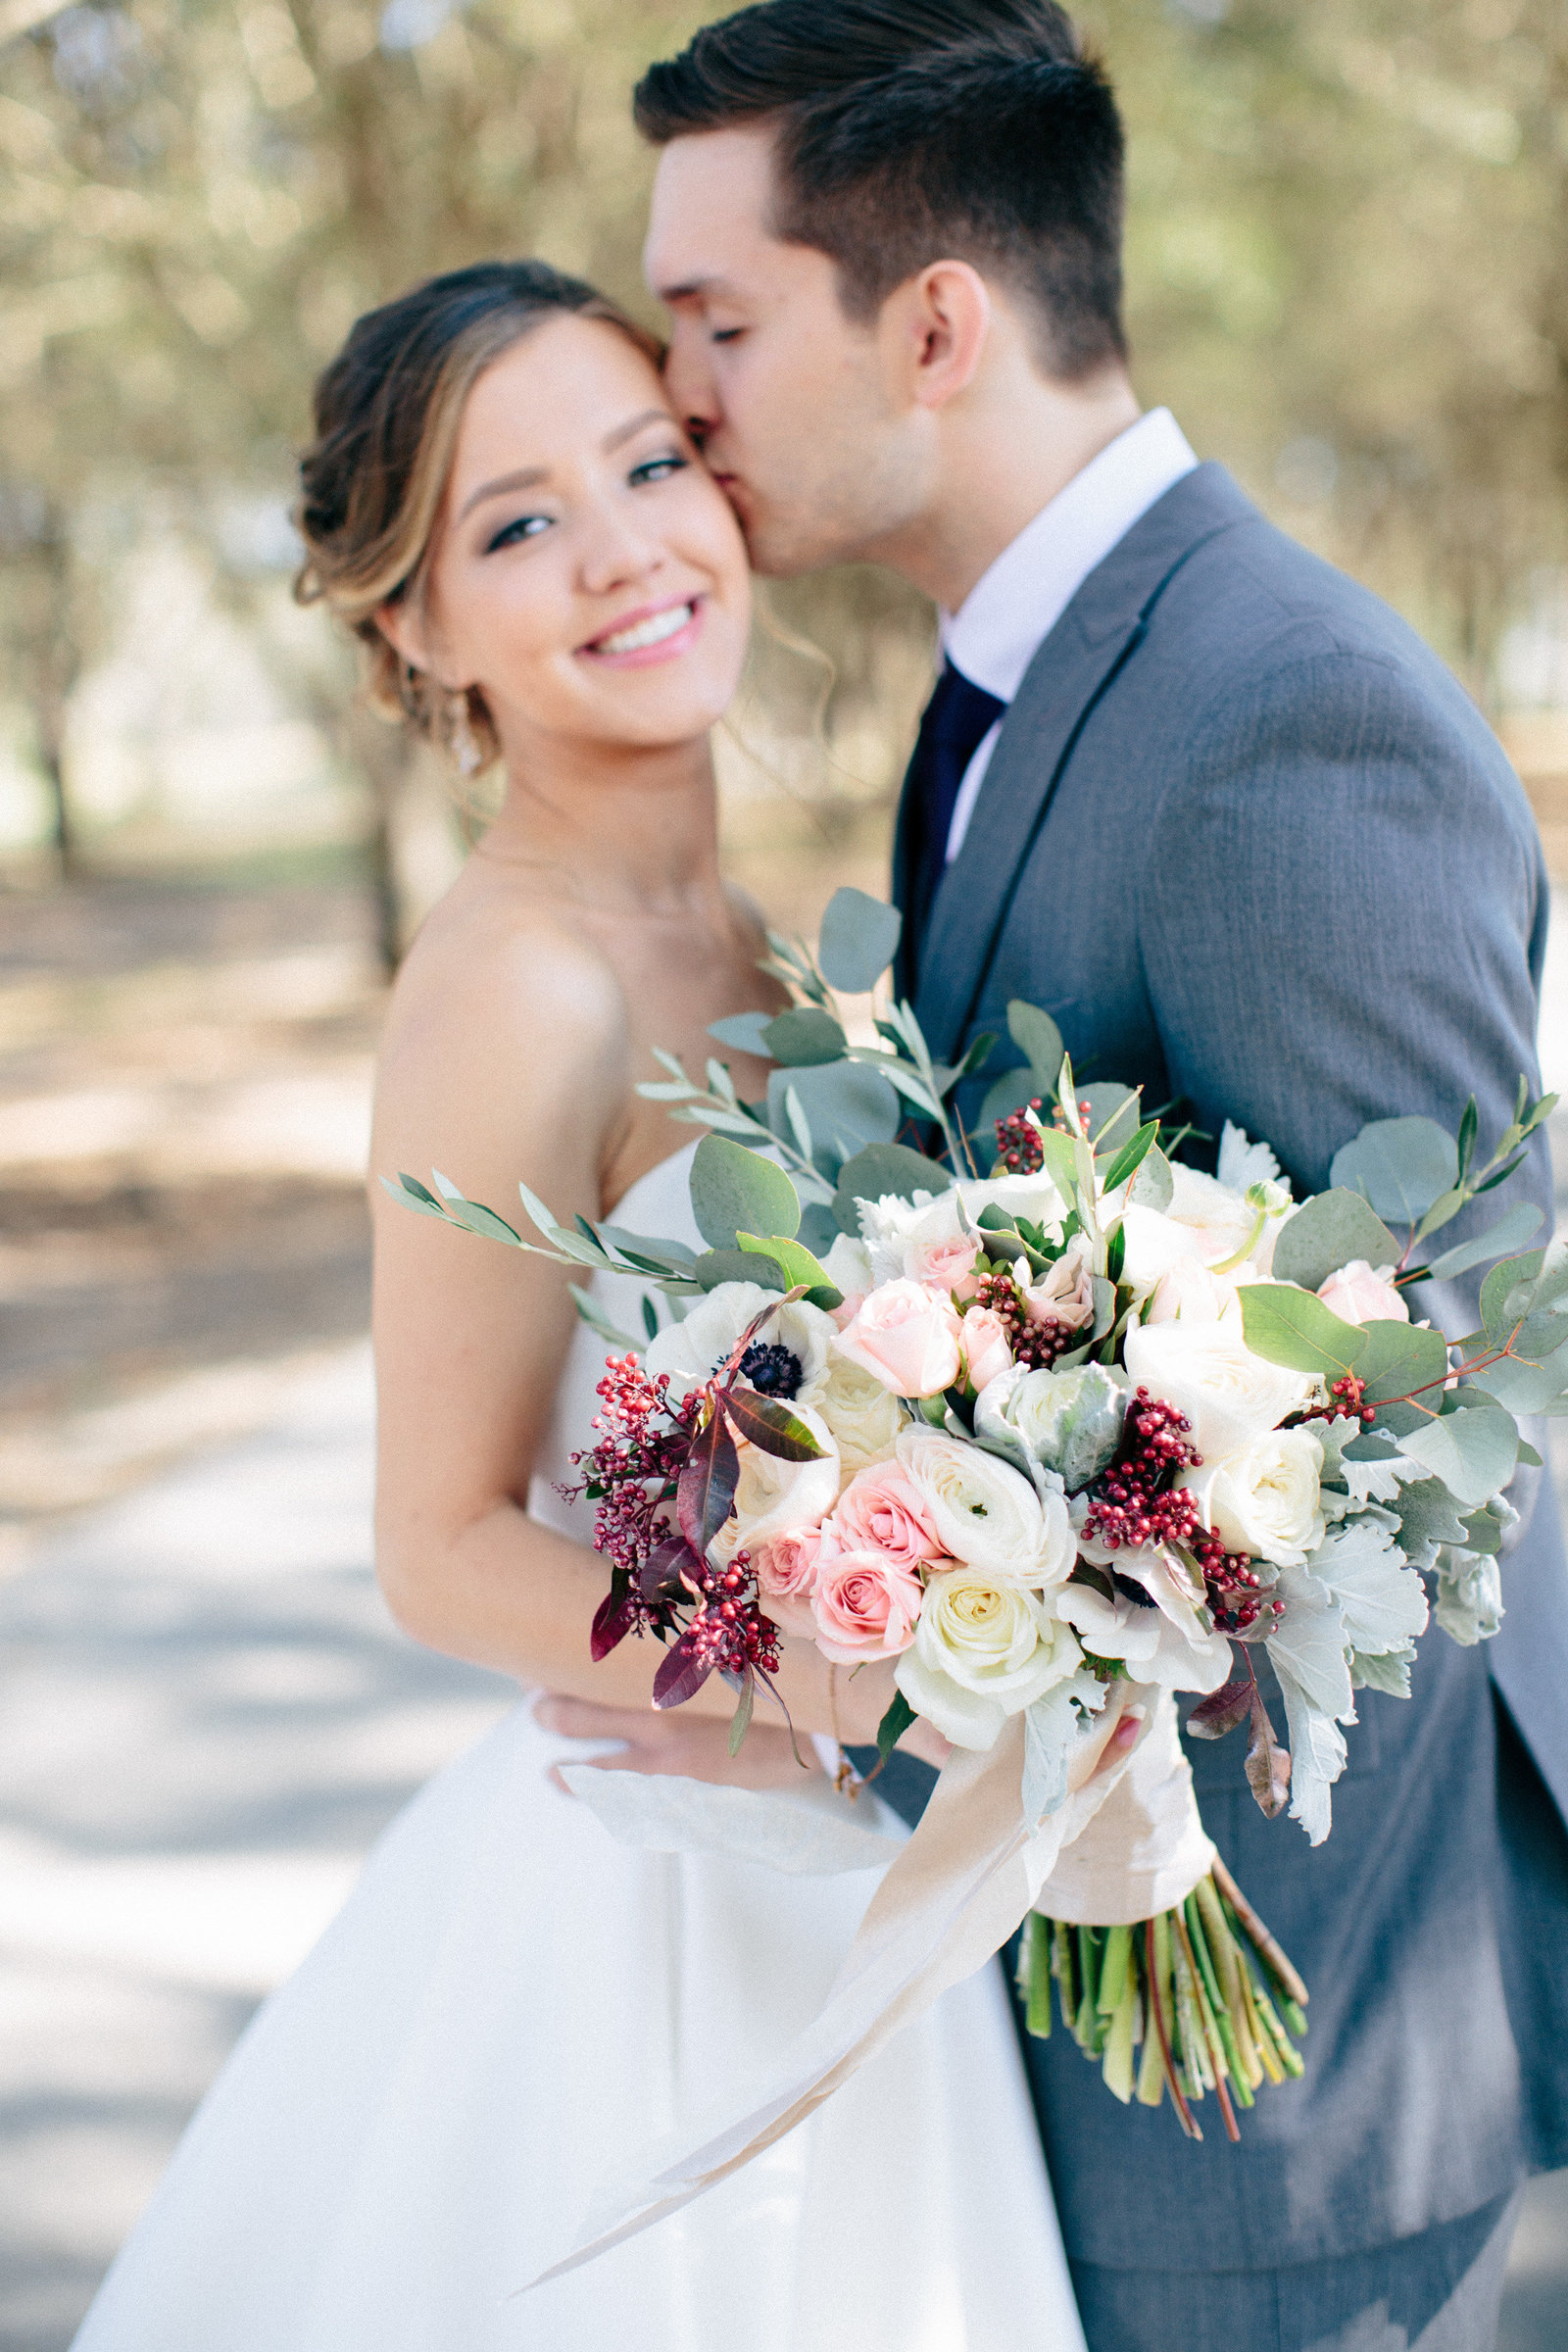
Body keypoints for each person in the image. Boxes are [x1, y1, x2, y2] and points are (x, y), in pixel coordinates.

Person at [566, 1, 1568, 2344]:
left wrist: (907, 1606)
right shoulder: (1012, 672)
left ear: (931, 321)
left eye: (711, 324)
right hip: (1080, 2012)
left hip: (1264, 2082)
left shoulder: (1277, 711)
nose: (674, 397)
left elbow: (1429, 1397)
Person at [69, 259, 1130, 2350]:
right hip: (652, 1918)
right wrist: (828, 1679)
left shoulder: (746, 936)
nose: (622, 547)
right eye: (516, 521)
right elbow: (437, 1544)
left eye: (648, 462)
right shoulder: (513, 981)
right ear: (411, 627)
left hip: (833, 1891)